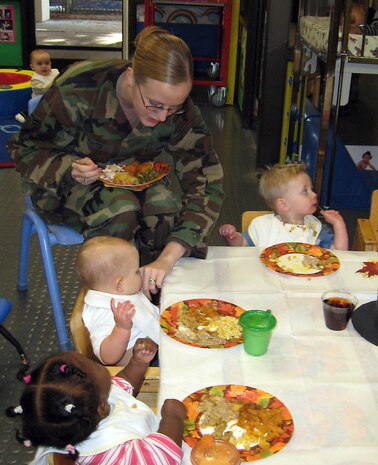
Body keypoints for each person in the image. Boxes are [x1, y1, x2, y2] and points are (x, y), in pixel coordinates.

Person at [7, 26, 224, 299]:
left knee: (165, 206)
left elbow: (206, 179)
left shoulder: (175, 108)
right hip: (64, 182)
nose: (163, 117)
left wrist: (169, 256)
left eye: (174, 107)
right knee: (120, 210)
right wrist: (69, 168)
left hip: (132, 178)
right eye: (155, 105)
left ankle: (158, 305)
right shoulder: (80, 87)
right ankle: (110, 320)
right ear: (132, 78)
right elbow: (25, 149)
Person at [6, 341, 187, 465]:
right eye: (99, 367)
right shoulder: (115, 453)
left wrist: (138, 362)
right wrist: (173, 417)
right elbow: (163, 457)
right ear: (103, 407)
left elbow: (122, 387)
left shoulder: (70, 418)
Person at [219, 163, 349, 250]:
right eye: (305, 191)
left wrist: (339, 224)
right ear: (284, 204)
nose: (314, 194)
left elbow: (339, 254)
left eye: (312, 189)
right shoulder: (263, 225)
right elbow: (241, 245)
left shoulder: (317, 229)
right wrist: (233, 236)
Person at [76, 236, 160, 366]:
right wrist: (121, 328)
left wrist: (144, 298)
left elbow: (141, 314)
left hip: (152, 343)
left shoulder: (119, 293)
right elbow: (108, 357)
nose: (141, 273)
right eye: (137, 272)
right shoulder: (103, 311)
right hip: (139, 367)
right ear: (120, 284)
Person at [15, 49, 60, 123]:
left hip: (53, 99)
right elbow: (44, 89)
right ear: (33, 67)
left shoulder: (54, 72)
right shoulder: (36, 79)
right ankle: (25, 115)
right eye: (40, 64)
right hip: (40, 102)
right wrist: (57, 81)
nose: (44, 66)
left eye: (47, 63)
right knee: (39, 115)